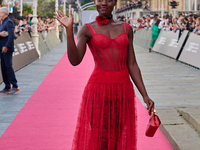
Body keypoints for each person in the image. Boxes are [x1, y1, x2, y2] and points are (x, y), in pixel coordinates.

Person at [54, 0, 154, 149]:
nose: (104, 3)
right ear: (95, 2)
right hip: (98, 92)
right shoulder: (87, 29)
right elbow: (75, 60)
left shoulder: (126, 28)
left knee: (118, 138)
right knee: (101, 139)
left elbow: (132, 64)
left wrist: (145, 95)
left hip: (122, 91)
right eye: (100, 0)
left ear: (114, 2)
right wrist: (69, 31)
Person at [0, 7, 19, 95]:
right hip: (2, 48)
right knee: (3, 67)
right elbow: (5, 33)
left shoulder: (8, 22)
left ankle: (15, 86)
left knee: (8, 66)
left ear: (4, 13)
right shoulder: (2, 22)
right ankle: (7, 86)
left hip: (6, 48)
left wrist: (6, 46)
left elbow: (11, 35)